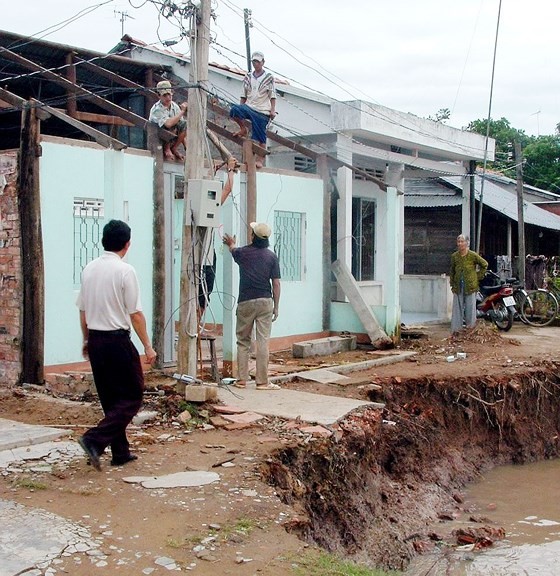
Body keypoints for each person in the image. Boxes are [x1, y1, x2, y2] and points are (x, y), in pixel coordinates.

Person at [76, 219, 157, 470]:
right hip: (117, 340)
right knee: (133, 395)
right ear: (127, 244)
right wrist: (148, 346)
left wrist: (87, 339)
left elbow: (83, 311)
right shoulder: (125, 271)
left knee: (111, 398)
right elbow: (135, 314)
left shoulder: (89, 268)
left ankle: (120, 452)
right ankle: (94, 439)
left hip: (97, 339)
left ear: (103, 240)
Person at [222, 222, 281, 390]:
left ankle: (241, 380)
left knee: (243, 341)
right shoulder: (271, 257)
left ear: (253, 236)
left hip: (245, 302)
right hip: (265, 301)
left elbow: (233, 250)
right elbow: (276, 284)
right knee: (263, 341)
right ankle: (262, 382)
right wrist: (276, 307)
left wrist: (231, 243)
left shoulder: (243, 253)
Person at [229, 51, 276, 168]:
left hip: (262, 110)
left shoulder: (269, 77)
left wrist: (272, 110)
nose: (256, 64)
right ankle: (242, 128)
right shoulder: (248, 77)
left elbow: (272, 95)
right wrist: (241, 109)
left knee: (259, 135)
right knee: (234, 110)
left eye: (258, 62)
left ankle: (260, 159)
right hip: (249, 106)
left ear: (262, 62)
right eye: (254, 61)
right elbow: (243, 95)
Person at [449, 234, 488, 333]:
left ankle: (471, 330)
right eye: (458, 242)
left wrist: (478, 276)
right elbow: (452, 270)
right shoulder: (454, 256)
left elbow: (484, 264)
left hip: (470, 286)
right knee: (457, 309)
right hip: (458, 285)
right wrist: (452, 283)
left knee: (470, 309)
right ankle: (456, 330)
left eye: (462, 241)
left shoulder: (472, 255)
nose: (460, 244)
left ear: (467, 243)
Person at [149, 80, 188, 162]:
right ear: (159, 96)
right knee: (171, 123)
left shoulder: (174, 106)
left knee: (183, 124)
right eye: (165, 95)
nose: (168, 97)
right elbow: (168, 124)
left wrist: (186, 147)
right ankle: (167, 149)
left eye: (169, 94)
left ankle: (173, 148)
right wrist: (182, 111)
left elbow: (182, 126)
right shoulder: (157, 109)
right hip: (157, 139)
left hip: (172, 139)